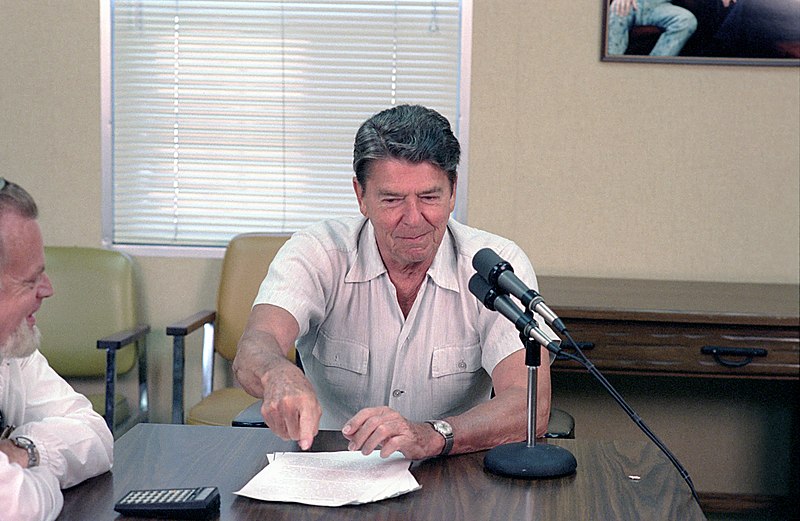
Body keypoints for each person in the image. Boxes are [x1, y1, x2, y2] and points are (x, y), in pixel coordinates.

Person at [233, 105, 556, 461]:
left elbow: (530, 403)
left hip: (452, 471)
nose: (413, 219)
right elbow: (256, 345)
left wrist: (434, 435)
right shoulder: (318, 251)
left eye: (429, 198)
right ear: (361, 196)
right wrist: (278, 373)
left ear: (453, 192)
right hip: (329, 466)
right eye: (392, 200)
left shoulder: (494, 264)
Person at [0, 178, 113, 521]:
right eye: (31, 281)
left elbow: (96, 435)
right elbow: (20, 508)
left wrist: (25, 451)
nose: (48, 290)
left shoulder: (13, 349)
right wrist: (39, 479)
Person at [607, 0, 698, 56]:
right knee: (616, 10)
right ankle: (609, 73)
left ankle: (653, 71)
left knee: (687, 20)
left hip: (660, 6)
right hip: (628, 3)